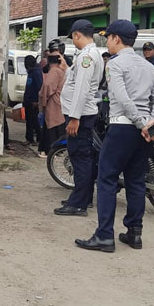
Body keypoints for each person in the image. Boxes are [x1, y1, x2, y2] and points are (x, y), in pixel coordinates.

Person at [75, 20, 154, 252]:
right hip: (143, 133)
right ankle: (134, 233)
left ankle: (104, 236)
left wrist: (141, 123)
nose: (106, 41)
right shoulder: (149, 66)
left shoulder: (115, 65)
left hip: (122, 129)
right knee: (136, 181)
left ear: (116, 39)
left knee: (106, 180)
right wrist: (152, 124)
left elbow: (122, 98)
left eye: (108, 37)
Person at [54, 19, 103, 217]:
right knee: (83, 157)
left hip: (80, 115)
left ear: (77, 35)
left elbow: (82, 89)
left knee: (80, 158)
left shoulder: (87, 57)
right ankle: (84, 198)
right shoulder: (87, 55)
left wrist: (74, 118)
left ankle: (79, 203)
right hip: (82, 112)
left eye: (73, 38)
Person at [38, 54, 66, 158]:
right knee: (57, 126)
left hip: (53, 102)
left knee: (52, 126)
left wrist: (43, 99)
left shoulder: (54, 71)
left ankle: (49, 150)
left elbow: (47, 85)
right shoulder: (61, 71)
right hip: (59, 101)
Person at [23, 55, 43, 146]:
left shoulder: (36, 73)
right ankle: (30, 138)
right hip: (28, 100)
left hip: (33, 101)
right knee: (29, 121)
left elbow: (39, 87)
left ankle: (39, 138)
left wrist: (36, 100)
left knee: (34, 121)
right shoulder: (31, 73)